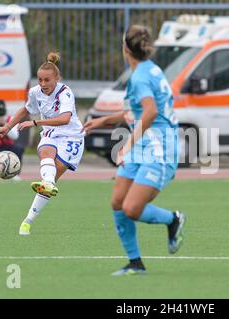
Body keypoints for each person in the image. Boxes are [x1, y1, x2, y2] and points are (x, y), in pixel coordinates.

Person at [83, 25, 186, 276]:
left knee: (132, 208)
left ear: (125, 49)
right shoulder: (148, 70)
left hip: (159, 149)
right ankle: (135, 263)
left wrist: (127, 144)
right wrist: (103, 120)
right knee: (118, 202)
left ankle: (173, 219)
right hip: (144, 145)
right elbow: (137, 111)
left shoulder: (140, 77)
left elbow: (150, 112)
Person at [0, 52, 85, 236]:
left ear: (56, 78)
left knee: (51, 177)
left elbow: (65, 119)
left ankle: (29, 219)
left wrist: (36, 123)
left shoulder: (65, 93)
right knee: (45, 153)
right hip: (51, 133)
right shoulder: (35, 92)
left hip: (72, 137)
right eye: (40, 80)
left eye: (47, 80)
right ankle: (29, 218)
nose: (43, 84)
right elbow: (26, 110)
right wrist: (7, 126)